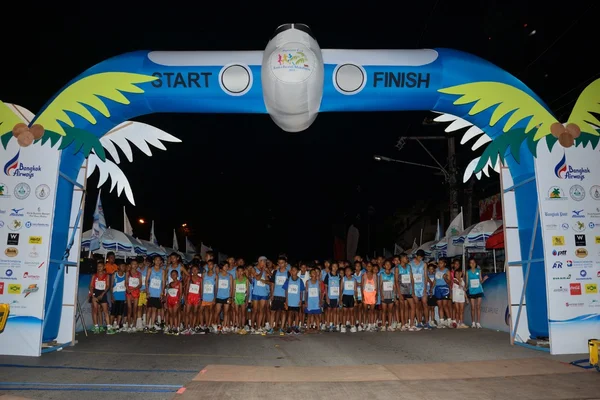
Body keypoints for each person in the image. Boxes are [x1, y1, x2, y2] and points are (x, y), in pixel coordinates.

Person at [145, 255, 166, 333]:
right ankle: (147, 325)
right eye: (156, 260)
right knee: (149, 309)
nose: (158, 261)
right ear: (154, 261)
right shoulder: (150, 269)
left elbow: (163, 282)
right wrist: (147, 291)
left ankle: (152, 325)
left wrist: (162, 292)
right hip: (150, 292)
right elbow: (146, 281)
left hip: (158, 293)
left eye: (159, 260)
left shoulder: (163, 271)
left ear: (161, 261)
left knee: (155, 310)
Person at [270, 257, 290, 335]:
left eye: (282, 263)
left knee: (283, 312)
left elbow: (288, 286)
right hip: (275, 295)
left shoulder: (288, 273)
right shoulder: (275, 272)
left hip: (284, 296)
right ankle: (271, 328)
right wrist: (272, 294)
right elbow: (272, 284)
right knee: (272, 312)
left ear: (285, 264)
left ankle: (281, 328)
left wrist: (287, 298)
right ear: (278, 263)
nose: (281, 264)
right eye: (279, 263)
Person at [410, 250, 430, 330]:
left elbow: (425, 276)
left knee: (425, 304)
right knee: (417, 305)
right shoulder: (410, 264)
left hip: (422, 286)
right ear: (416, 256)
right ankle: (418, 322)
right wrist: (412, 289)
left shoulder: (424, 264)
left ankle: (427, 322)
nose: (420, 258)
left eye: (422, 257)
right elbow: (410, 277)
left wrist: (425, 288)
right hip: (414, 286)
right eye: (419, 257)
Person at [282, 265, 304, 334]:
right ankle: (289, 327)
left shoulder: (300, 280)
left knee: (297, 314)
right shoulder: (288, 280)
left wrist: (300, 300)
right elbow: (285, 290)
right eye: (292, 270)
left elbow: (301, 291)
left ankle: (296, 328)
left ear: (297, 271)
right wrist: (286, 300)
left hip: (297, 301)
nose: (293, 271)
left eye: (295, 270)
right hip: (290, 300)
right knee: (290, 314)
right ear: (290, 271)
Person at [89, 262, 110, 333]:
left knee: (105, 311)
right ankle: (96, 327)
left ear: (104, 267)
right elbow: (91, 286)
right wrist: (93, 296)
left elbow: (107, 286)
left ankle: (109, 327)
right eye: (98, 266)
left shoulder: (106, 276)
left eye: (101, 266)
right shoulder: (94, 276)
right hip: (95, 293)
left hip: (103, 294)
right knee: (95, 310)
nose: (99, 268)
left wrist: (103, 294)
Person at [466, 258, 487, 328]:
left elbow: (480, 281)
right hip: (471, 291)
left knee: (478, 306)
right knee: (472, 307)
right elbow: (467, 283)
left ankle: (478, 322)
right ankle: (473, 322)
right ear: (469, 264)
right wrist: (464, 287)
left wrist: (484, 280)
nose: (472, 264)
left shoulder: (479, 271)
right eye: (471, 263)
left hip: (479, 290)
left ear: (476, 263)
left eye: (474, 263)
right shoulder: (467, 272)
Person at [214, 261, 234, 333]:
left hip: (227, 297)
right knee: (217, 312)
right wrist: (215, 297)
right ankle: (215, 325)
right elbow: (216, 287)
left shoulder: (230, 276)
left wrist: (230, 297)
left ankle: (224, 326)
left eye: (227, 266)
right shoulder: (217, 275)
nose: (226, 267)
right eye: (225, 266)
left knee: (226, 312)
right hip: (219, 296)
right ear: (222, 267)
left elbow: (231, 287)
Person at [183, 264, 202, 335]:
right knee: (187, 313)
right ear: (191, 271)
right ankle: (187, 327)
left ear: (198, 271)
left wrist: (201, 298)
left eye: (196, 269)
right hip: (189, 297)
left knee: (194, 312)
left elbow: (201, 289)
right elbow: (186, 288)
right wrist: (185, 297)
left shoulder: (200, 279)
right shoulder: (189, 278)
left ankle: (192, 327)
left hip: (197, 297)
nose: (194, 271)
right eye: (193, 269)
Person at [108, 263, 127, 334]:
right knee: (113, 312)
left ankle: (117, 326)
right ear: (118, 267)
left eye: (124, 266)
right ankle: (110, 326)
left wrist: (126, 297)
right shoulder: (114, 275)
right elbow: (111, 286)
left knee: (120, 312)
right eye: (122, 266)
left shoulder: (126, 275)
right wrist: (112, 296)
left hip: (122, 296)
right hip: (115, 296)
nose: (123, 267)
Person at [434, 258, 453, 328]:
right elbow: (435, 281)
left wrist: (445, 278)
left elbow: (449, 282)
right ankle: (441, 321)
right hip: (438, 288)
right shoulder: (436, 270)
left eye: (441, 263)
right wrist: (431, 288)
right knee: (440, 305)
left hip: (445, 288)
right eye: (439, 262)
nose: (440, 264)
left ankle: (449, 320)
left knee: (445, 305)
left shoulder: (447, 271)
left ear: (445, 264)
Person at [379, 260, 397, 331]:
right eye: (386, 264)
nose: (388, 265)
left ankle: (389, 325)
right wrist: (381, 295)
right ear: (384, 266)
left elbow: (394, 286)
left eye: (389, 264)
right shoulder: (382, 274)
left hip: (391, 295)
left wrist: (395, 295)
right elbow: (380, 286)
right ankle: (383, 325)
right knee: (384, 311)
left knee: (390, 311)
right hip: (384, 295)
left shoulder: (393, 275)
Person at [324, 262, 341, 332]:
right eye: (333, 266)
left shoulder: (339, 276)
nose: (335, 268)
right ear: (331, 267)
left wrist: (340, 297)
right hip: (330, 297)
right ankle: (329, 324)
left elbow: (340, 287)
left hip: (336, 297)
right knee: (329, 311)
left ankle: (334, 324)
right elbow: (325, 287)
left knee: (335, 311)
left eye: (336, 266)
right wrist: (327, 297)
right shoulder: (328, 275)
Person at [126, 260, 142, 332]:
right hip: (129, 292)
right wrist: (128, 289)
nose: (135, 265)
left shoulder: (139, 274)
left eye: (136, 264)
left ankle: (134, 326)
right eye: (133, 264)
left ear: (137, 265)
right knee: (129, 309)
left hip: (136, 292)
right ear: (130, 265)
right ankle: (129, 325)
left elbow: (140, 284)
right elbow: (126, 283)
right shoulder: (128, 273)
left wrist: (134, 289)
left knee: (135, 309)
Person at [201, 259, 217, 332]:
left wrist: (215, 297)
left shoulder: (215, 275)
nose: (209, 266)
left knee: (211, 310)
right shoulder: (204, 274)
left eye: (211, 264)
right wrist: (201, 295)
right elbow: (201, 285)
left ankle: (209, 325)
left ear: (213, 265)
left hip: (211, 295)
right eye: (208, 264)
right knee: (205, 310)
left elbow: (216, 287)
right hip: (204, 295)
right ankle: (206, 324)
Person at [341, 266, 358, 333]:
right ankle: (343, 326)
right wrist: (340, 299)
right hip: (345, 297)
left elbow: (355, 290)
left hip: (351, 297)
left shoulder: (354, 279)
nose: (347, 272)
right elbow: (341, 289)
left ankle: (352, 325)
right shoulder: (343, 279)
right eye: (346, 271)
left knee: (352, 313)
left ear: (351, 272)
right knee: (344, 312)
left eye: (349, 271)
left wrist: (356, 300)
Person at [362, 263, 378, 331]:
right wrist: (362, 296)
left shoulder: (375, 276)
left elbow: (376, 287)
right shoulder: (364, 275)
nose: (369, 267)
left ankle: (371, 324)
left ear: (372, 267)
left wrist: (376, 296)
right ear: (366, 267)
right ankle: (365, 323)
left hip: (372, 295)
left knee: (372, 311)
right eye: (367, 266)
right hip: (365, 294)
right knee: (365, 311)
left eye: (370, 266)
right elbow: (362, 286)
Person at [166, 269, 182, 335]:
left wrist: (179, 301)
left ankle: (176, 328)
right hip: (170, 300)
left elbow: (181, 293)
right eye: (172, 274)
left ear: (177, 275)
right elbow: (168, 293)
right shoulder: (170, 284)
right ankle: (171, 328)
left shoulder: (179, 283)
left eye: (175, 274)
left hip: (176, 300)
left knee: (175, 314)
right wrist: (166, 301)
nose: (173, 275)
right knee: (170, 314)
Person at [234, 266, 249, 334]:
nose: (240, 272)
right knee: (236, 313)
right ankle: (237, 326)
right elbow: (233, 290)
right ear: (237, 272)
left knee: (243, 313)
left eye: (241, 271)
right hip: (236, 298)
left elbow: (247, 291)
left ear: (243, 272)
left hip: (243, 298)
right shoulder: (235, 280)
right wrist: (232, 299)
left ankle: (242, 326)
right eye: (238, 271)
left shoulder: (246, 280)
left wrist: (246, 300)